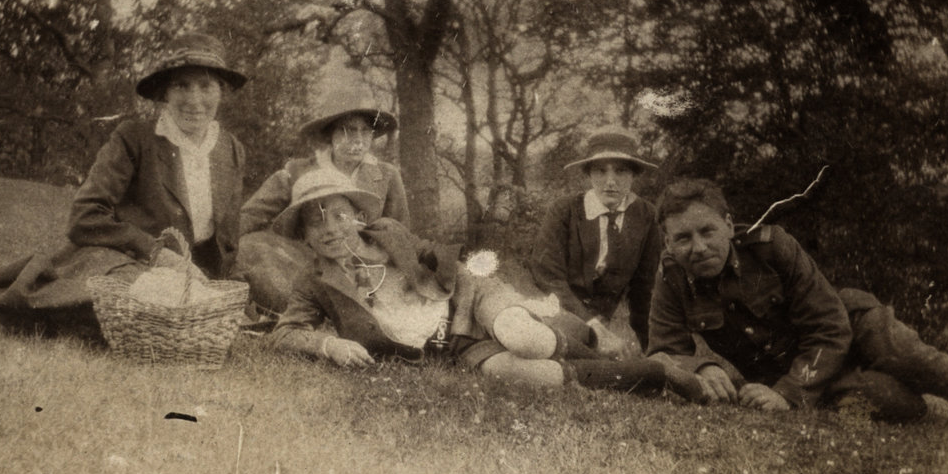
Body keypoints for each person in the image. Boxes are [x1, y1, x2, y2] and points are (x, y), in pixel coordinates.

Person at [267, 168, 704, 400]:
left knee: (525, 337)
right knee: (525, 375)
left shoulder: (387, 232)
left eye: (339, 214)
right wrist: (329, 345)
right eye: (314, 220)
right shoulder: (314, 282)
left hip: (471, 298)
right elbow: (285, 333)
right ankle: (652, 374)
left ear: (357, 215)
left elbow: (443, 264)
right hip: (449, 345)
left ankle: (589, 337)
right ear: (303, 235)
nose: (330, 229)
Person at [0, 32, 248, 336]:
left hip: (186, 278)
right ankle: (16, 311)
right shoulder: (134, 138)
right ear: (164, 93)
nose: (195, 100)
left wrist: (228, 295)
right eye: (181, 85)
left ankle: (37, 311)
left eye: (206, 86)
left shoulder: (232, 150)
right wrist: (156, 252)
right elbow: (85, 216)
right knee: (134, 301)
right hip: (119, 261)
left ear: (222, 91)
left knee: (176, 313)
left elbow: (226, 245)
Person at [647, 177, 948, 421]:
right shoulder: (670, 277)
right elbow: (664, 349)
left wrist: (789, 393)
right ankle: (914, 401)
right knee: (880, 401)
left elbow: (830, 327)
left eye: (707, 231)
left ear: (728, 226)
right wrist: (701, 366)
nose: (698, 247)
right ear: (668, 243)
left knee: (912, 360)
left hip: (852, 325)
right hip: (803, 368)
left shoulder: (771, 246)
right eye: (683, 238)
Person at [234, 104, 409, 316]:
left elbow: (399, 233)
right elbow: (252, 214)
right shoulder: (296, 171)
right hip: (306, 261)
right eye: (348, 130)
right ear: (330, 135)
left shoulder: (387, 175)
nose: (358, 139)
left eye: (366, 131)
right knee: (250, 246)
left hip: (363, 267)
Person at [530, 127, 662, 351]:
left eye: (620, 172)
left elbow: (644, 289)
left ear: (633, 175)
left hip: (601, 323)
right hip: (553, 308)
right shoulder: (565, 210)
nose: (610, 181)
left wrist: (654, 348)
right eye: (601, 171)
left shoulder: (645, 215)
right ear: (589, 174)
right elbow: (548, 278)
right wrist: (590, 325)